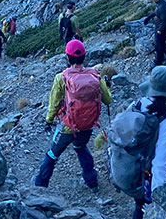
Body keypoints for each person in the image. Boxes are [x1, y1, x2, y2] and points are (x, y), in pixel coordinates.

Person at [32, 39, 112, 192]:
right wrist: (107, 88)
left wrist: (48, 120)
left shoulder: (61, 77)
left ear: (68, 57)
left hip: (68, 126)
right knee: (81, 147)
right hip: (88, 124)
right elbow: (107, 100)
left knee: (52, 154)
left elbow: (54, 103)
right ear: (84, 56)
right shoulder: (95, 75)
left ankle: (39, 187)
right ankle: (92, 182)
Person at [126, 65, 166, 219]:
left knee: (138, 205)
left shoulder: (136, 105)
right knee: (142, 208)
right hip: (146, 176)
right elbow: (160, 163)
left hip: (128, 168)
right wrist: (157, 199)